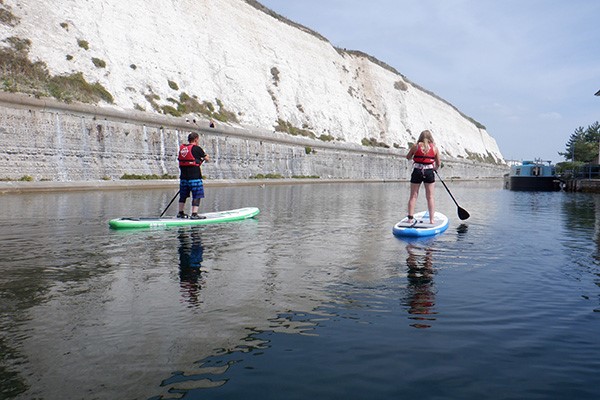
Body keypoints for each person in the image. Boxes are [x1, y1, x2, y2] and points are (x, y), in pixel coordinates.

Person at [406, 130, 441, 224]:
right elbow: (438, 163)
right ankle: (431, 220)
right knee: (430, 197)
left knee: (413, 196)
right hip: (429, 172)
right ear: (430, 138)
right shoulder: (435, 148)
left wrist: (414, 154)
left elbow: (408, 157)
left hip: (417, 171)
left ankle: (410, 219)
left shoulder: (415, 146)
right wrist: (434, 169)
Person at [177, 132, 210, 219]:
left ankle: (180, 212)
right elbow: (207, 158)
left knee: (183, 196)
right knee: (197, 195)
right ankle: (194, 214)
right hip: (195, 177)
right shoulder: (197, 148)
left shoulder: (182, 149)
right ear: (196, 139)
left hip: (183, 178)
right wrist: (206, 157)